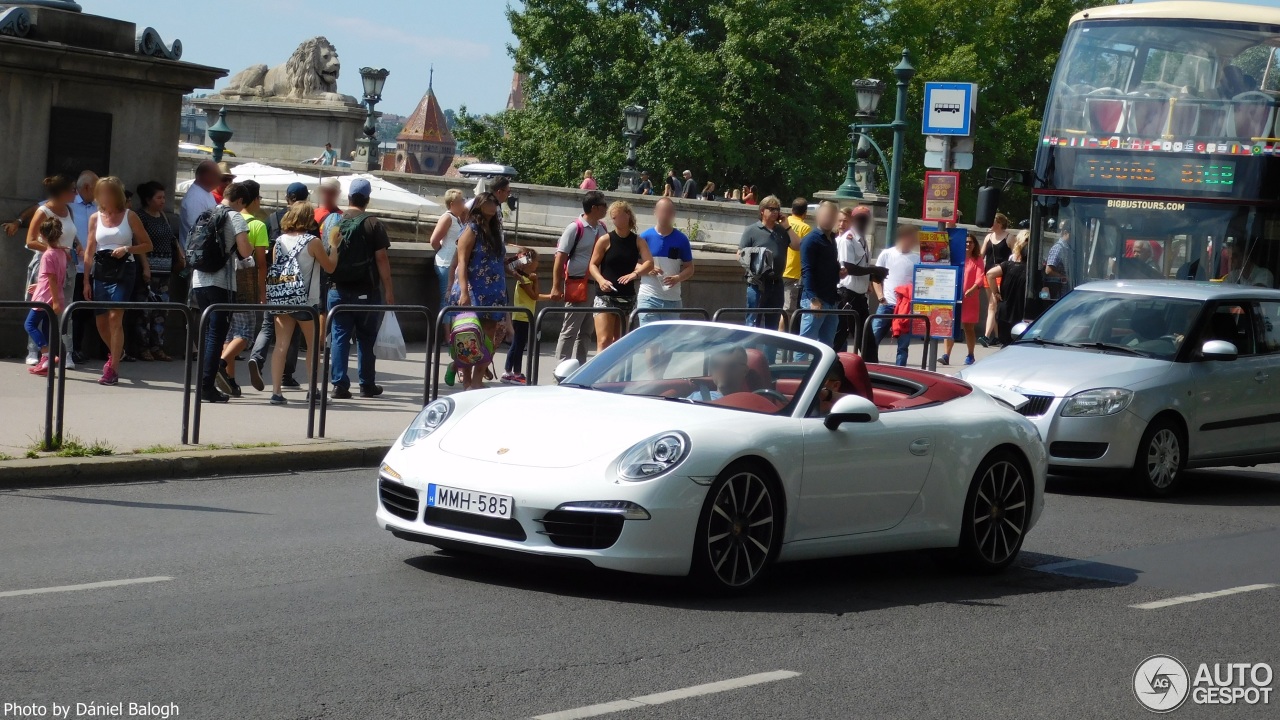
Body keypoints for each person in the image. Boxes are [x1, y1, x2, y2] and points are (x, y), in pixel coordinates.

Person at [328, 177, 395, 400]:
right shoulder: (372, 223)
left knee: (339, 336)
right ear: (367, 199)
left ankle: (339, 384)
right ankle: (366, 385)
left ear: (348, 198)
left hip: (337, 289)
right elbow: (382, 259)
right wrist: (388, 289)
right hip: (366, 291)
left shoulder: (334, 221)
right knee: (366, 338)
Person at [266, 203, 340, 405]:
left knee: (281, 345)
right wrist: (334, 246)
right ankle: (313, 390)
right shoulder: (313, 242)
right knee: (313, 347)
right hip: (306, 302)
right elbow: (330, 267)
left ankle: (276, 392)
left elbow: (277, 269)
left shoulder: (279, 241)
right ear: (309, 219)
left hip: (283, 297)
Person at [83, 177, 153, 386]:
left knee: (115, 317)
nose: (104, 197)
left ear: (116, 194)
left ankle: (112, 368)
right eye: (101, 192)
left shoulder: (130, 216)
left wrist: (127, 248)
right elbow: (89, 250)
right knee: (101, 321)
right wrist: (86, 280)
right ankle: (117, 351)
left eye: (108, 192)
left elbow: (147, 244)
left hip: (124, 269)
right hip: (102, 270)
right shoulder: (95, 217)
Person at [190, 182, 252, 402]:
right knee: (217, 334)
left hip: (199, 280)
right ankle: (206, 386)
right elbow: (245, 251)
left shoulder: (207, 213)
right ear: (241, 201)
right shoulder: (234, 216)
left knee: (209, 333)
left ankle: (204, 383)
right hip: (221, 282)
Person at [248, 183, 310, 391]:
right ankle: (287, 374)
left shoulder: (271, 220)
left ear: (287, 198)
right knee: (294, 335)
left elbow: (264, 253)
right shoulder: (307, 222)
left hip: (275, 282)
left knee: (268, 326)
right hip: (300, 287)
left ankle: (257, 358)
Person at [215, 181, 269, 398]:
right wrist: (262, 292)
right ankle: (219, 365)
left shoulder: (222, 215)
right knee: (245, 334)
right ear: (253, 200)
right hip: (245, 284)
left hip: (224, 281)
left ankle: (230, 380)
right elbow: (261, 263)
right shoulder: (257, 225)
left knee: (229, 333)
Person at [451, 192, 507, 391]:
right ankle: (467, 380)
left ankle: (477, 380)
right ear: (479, 205)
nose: (494, 205)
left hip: (494, 291)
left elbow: (497, 260)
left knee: (488, 337)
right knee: (468, 336)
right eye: (489, 202)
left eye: (495, 202)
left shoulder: (495, 230)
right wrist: (464, 291)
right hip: (474, 289)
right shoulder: (471, 228)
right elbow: (462, 261)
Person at [22, 177, 79, 366]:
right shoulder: (43, 211)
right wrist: (54, 251)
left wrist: (76, 246)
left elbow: (71, 234)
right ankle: (35, 350)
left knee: (65, 310)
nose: (75, 193)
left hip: (66, 265)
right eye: (72, 189)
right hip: (46, 264)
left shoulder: (69, 210)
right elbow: (30, 240)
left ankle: (65, 352)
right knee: (39, 308)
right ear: (61, 192)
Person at [551, 190, 608, 364]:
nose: (606, 208)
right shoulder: (575, 228)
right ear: (594, 208)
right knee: (570, 329)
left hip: (596, 285)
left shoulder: (602, 227)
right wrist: (556, 285)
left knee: (587, 331)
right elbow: (560, 257)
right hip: (578, 283)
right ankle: (561, 367)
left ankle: (582, 367)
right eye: (604, 205)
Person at [589, 200, 654, 350]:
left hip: (626, 295)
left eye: (619, 216)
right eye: (613, 218)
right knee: (604, 341)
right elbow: (592, 265)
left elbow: (649, 262)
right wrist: (600, 280)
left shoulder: (637, 240)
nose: (616, 220)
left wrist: (635, 274)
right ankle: (602, 373)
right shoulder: (605, 239)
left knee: (619, 342)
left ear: (628, 216)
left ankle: (618, 374)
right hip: (605, 295)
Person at [133, 182, 183, 361]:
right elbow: (139, 244)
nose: (163, 201)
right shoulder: (140, 217)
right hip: (148, 272)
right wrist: (145, 267)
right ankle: (143, 347)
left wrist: (179, 255)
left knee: (161, 311)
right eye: (159, 197)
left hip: (164, 272)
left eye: (164, 197)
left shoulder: (163, 215)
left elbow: (171, 239)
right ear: (148, 199)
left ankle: (158, 346)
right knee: (144, 312)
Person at [737, 195, 800, 329]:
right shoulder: (752, 230)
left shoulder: (782, 231)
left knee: (773, 325)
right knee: (753, 323)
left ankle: (769, 351)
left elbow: (797, 245)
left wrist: (787, 226)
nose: (775, 212)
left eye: (777, 209)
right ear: (762, 211)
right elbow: (739, 254)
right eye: (771, 209)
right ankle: (750, 350)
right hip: (757, 284)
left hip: (777, 284)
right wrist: (757, 261)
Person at [833, 206, 884, 351]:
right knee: (839, 338)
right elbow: (848, 268)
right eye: (859, 219)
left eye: (865, 219)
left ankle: (871, 370)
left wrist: (872, 276)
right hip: (847, 295)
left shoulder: (862, 239)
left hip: (859, 297)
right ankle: (825, 368)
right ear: (853, 220)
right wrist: (873, 270)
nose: (862, 222)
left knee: (867, 342)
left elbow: (862, 265)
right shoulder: (848, 239)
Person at [637, 197, 695, 325]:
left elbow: (690, 268)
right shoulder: (644, 237)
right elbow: (634, 263)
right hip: (648, 296)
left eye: (668, 212)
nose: (664, 215)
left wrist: (677, 278)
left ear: (673, 215)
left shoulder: (681, 239)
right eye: (662, 211)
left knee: (668, 343)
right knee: (649, 339)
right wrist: (647, 269)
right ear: (655, 212)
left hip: (672, 300)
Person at [24, 218, 69, 376]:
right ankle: (46, 363)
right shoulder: (61, 253)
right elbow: (56, 277)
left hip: (45, 298)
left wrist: (54, 300)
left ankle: (46, 353)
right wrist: (40, 285)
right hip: (52, 295)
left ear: (42, 235)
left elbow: (52, 278)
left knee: (29, 324)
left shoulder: (47, 255)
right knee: (46, 327)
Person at [871, 224, 921, 366]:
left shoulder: (916, 259)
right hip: (887, 304)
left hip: (905, 308)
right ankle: (869, 366)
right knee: (873, 338)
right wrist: (881, 297)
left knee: (903, 346)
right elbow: (876, 278)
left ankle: (901, 370)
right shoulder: (887, 254)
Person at [797, 201, 841, 355]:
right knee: (805, 345)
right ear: (818, 217)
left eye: (832, 216)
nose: (828, 219)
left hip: (831, 299)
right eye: (826, 216)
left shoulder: (832, 239)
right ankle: (797, 375)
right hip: (815, 300)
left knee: (827, 348)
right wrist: (813, 300)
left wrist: (838, 272)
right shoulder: (811, 240)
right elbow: (806, 270)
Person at [503, 247, 550, 385]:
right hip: (522, 316)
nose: (537, 264)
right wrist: (536, 281)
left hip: (522, 316)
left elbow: (535, 296)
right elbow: (534, 295)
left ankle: (508, 371)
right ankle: (516, 373)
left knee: (517, 345)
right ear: (530, 262)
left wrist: (549, 296)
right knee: (519, 345)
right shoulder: (524, 280)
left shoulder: (524, 278)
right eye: (537, 261)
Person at [941, 233, 986, 366]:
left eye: (971, 242)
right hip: (954, 297)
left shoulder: (977, 259)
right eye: (965, 242)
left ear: (975, 245)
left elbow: (980, 277)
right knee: (949, 326)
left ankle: (970, 354)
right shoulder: (956, 258)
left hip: (970, 299)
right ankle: (946, 355)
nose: (968, 244)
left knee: (968, 328)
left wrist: (973, 288)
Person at [988, 230, 1030, 347]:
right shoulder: (1032, 270)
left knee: (1006, 345)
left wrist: (996, 293)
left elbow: (990, 274)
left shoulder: (1008, 265)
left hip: (1006, 310)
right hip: (1022, 311)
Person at [979, 212, 1012, 346]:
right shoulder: (988, 237)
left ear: (999, 223)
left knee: (993, 305)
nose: (989, 225)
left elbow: (1017, 254)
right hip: (988, 274)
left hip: (1001, 275)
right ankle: (997, 336)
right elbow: (981, 255)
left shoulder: (1009, 237)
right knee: (993, 306)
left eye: (991, 222)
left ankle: (986, 336)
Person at [430, 188, 465, 309]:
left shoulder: (457, 219)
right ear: (452, 204)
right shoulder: (447, 218)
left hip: (452, 263)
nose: (464, 204)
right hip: (445, 263)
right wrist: (442, 250)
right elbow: (434, 240)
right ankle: (445, 328)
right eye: (461, 201)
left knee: (452, 298)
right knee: (447, 299)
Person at [780, 197, 812, 331]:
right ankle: (781, 339)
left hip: (779, 269)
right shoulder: (805, 228)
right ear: (805, 213)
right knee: (788, 310)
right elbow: (807, 251)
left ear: (792, 210)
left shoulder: (783, 222)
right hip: (793, 273)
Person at [1043, 228, 1073, 299]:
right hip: (1057, 291)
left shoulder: (1067, 248)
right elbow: (1048, 270)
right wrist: (1063, 277)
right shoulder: (1058, 248)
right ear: (1065, 233)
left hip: (1065, 291)